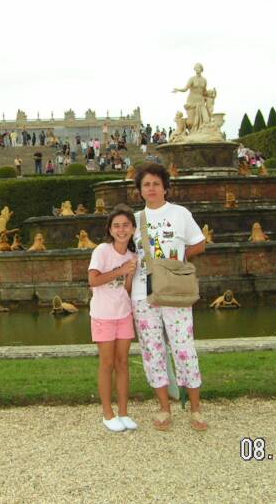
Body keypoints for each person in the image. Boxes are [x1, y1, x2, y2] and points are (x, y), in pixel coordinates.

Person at [131, 163, 208, 431]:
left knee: (183, 347)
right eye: (146, 184)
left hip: (175, 290)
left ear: (165, 187)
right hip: (143, 293)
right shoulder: (134, 219)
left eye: (156, 183)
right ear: (140, 190)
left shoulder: (180, 213)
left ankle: (196, 409)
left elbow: (199, 243)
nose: (151, 188)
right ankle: (164, 408)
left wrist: (177, 261)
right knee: (152, 350)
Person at [88, 204, 139, 432]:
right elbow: (93, 280)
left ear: (133, 229)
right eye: (116, 226)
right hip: (103, 315)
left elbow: (126, 289)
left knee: (123, 363)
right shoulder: (102, 251)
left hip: (123, 314)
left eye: (126, 225)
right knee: (107, 363)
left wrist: (128, 275)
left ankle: (124, 412)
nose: (121, 230)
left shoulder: (133, 256)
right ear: (110, 230)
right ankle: (108, 414)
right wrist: (121, 271)